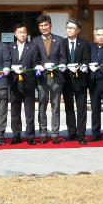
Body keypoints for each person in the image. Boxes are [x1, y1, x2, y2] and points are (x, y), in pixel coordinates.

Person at [31, 15, 68, 144]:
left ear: (50, 25)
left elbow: (63, 57)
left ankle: (55, 133)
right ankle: (43, 133)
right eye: (41, 26)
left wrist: (58, 65)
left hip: (56, 76)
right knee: (42, 105)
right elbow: (34, 60)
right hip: (42, 77)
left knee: (56, 105)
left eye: (46, 25)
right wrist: (40, 66)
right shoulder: (35, 41)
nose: (43, 28)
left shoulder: (59, 40)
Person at [8, 23, 41, 145]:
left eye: (24, 32)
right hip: (14, 82)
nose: (22, 34)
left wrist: (37, 67)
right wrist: (12, 67)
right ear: (15, 34)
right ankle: (16, 135)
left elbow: (35, 62)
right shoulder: (10, 46)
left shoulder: (33, 46)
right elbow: (7, 62)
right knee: (15, 110)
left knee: (29, 111)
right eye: (20, 32)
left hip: (28, 82)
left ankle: (30, 136)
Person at [62, 19, 91, 145]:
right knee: (68, 107)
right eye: (67, 27)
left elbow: (86, 59)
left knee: (81, 108)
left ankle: (81, 135)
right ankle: (71, 133)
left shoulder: (84, 43)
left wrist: (81, 66)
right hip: (66, 79)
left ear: (78, 30)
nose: (69, 30)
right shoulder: (61, 43)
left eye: (72, 28)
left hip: (80, 79)